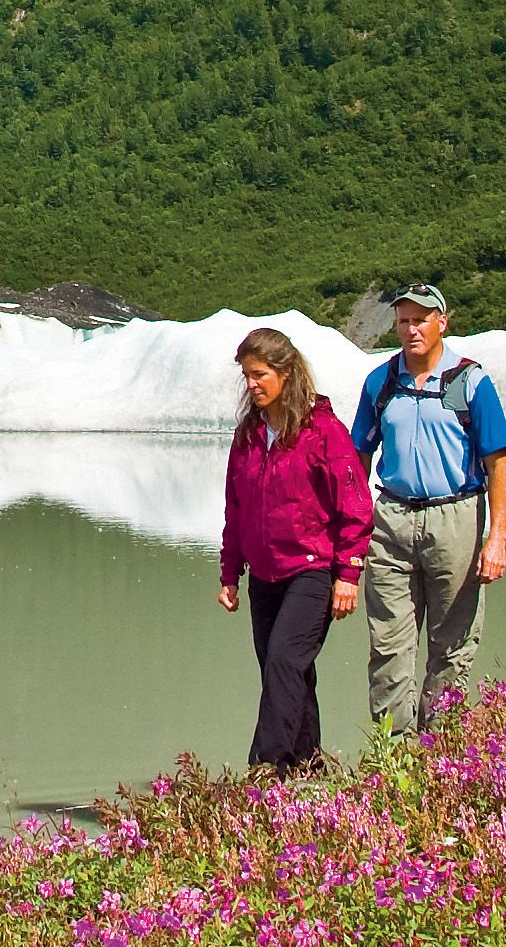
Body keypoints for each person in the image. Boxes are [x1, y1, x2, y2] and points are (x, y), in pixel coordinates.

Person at [348, 282, 506, 734]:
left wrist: (496, 538)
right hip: (391, 518)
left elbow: (498, 463)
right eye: (403, 320)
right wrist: (349, 531)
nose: (411, 329)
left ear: (443, 322)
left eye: (421, 319)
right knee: (388, 644)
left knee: (453, 644)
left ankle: (439, 755)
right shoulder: (380, 382)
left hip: (456, 517)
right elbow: (358, 461)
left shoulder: (470, 382)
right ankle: (393, 758)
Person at [217, 326, 375, 773]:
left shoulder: (322, 431)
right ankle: (308, 765)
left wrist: (348, 574)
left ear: (286, 373)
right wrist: (230, 574)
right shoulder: (249, 434)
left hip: (312, 570)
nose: (252, 384)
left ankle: (267, 770)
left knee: (284, 661)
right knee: (283, 668)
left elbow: (356, 506)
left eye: (260, 374)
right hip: (264, 575)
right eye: (247, 375)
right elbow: (236, 508)